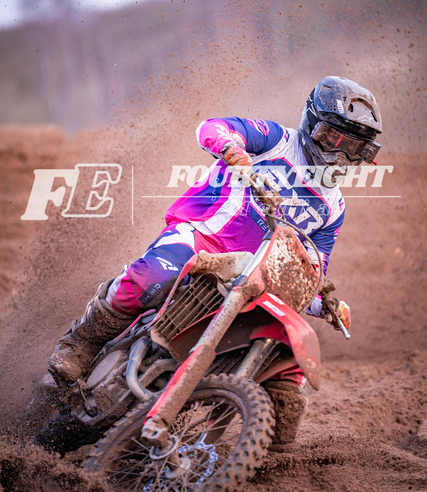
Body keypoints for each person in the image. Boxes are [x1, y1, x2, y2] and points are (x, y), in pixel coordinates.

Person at [48, 75, 382, 451]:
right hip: (203, 238)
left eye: (355, 147)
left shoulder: (334, 207)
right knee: (152, 277)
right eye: (334, 138)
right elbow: (212, 127)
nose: (341, 154)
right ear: (312, 123)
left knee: (289, 352)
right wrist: (230, 148)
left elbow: (312, 270)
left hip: (257, 278)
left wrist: (325, 305)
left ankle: (267, 451)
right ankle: (82, 341)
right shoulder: (277, 140)